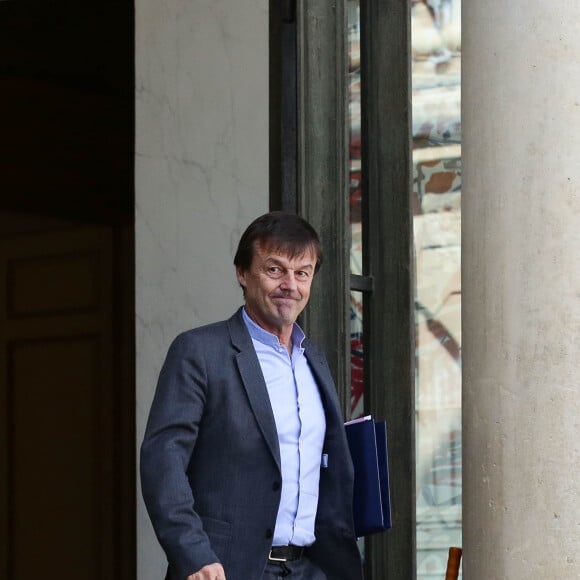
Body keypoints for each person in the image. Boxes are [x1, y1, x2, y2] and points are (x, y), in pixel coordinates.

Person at [140, 211, 363, 580]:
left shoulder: (314, 360)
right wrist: (192, 554)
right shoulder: (200, 351)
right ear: (242, 273)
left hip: (311, 568)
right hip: (226, 569)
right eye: (275, 270)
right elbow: (162, 460)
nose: (290, 284)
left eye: (302, 273)